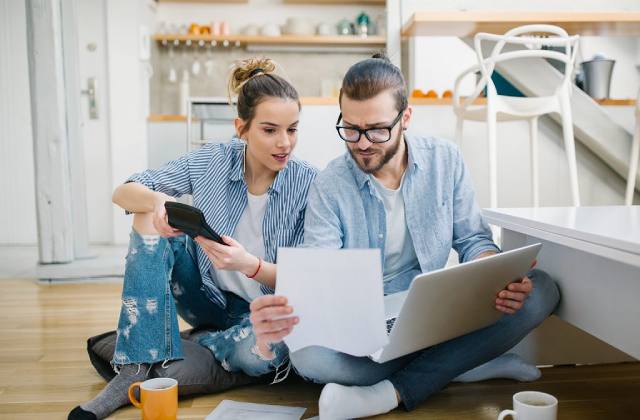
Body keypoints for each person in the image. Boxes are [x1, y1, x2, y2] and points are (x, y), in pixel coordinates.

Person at [249, 53, 560, 419]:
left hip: (437, 307)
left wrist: (495, 274)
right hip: (372, 323)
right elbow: (322, 268)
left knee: (541, 291)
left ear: (405, 118)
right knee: (308, 358)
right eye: (351, 129)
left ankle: (390, 391)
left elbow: (474, 240)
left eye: (377, 129)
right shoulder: (330, 183)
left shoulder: (446, 160)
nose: (362, 143)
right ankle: (463, 363)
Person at [69, 57, 317, 420]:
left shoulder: (309, 182)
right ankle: (135, 370)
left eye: (293, 129)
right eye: (270, 130)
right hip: (205, 298)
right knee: (146, 215)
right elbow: (124, 191)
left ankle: (194, 344)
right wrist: (159, 204)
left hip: (262, 313)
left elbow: (311, 278)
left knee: (272, 350)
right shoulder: (211, 161)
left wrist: (250, 266)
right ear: (241, 128)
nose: (285, 143)